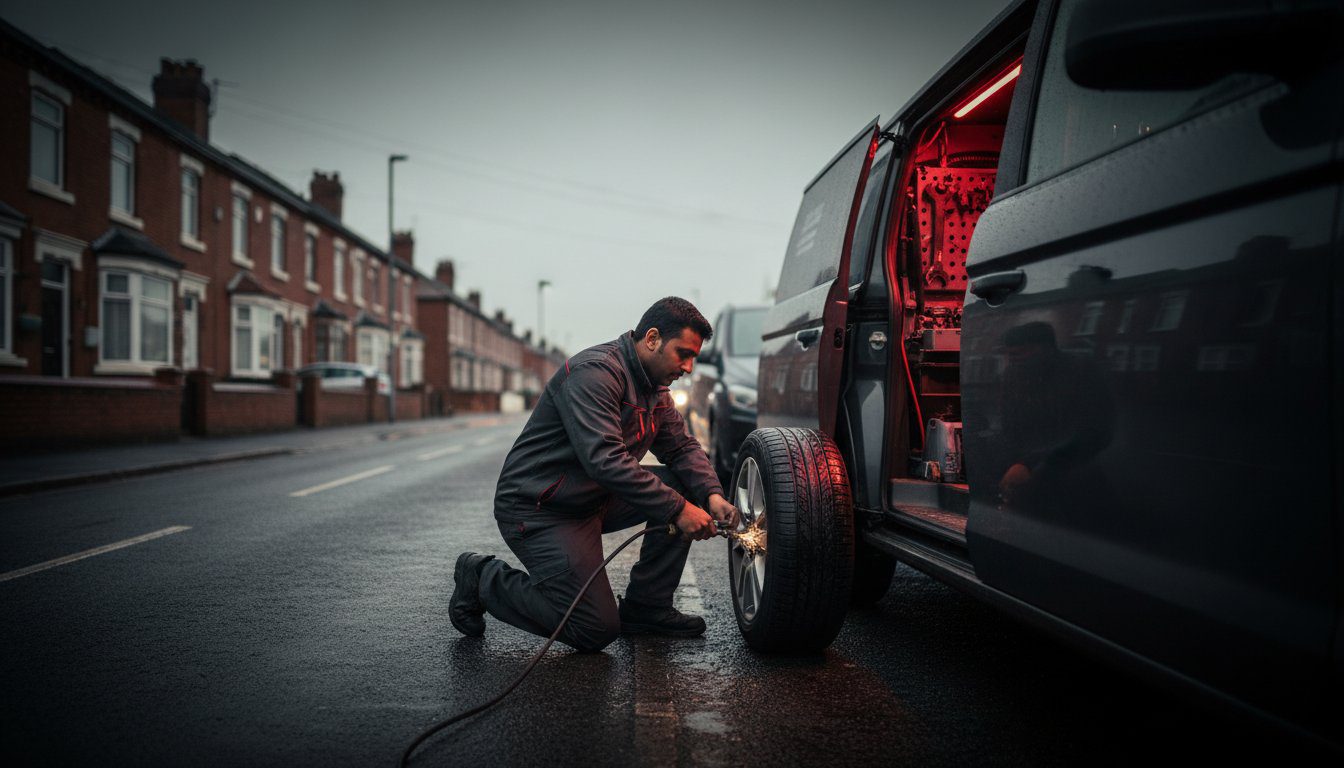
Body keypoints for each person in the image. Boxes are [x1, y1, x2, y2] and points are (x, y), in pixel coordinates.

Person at [450, 297, 740, 652]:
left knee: (686, 486)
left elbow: (681, 448)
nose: (690, 367)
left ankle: (646, 609)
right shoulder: (595, 373)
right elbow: (605, 459)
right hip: (541, 508)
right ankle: (481, 578)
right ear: (652, 339)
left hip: (592, 499)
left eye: (694, 356)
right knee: (594, 628)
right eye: (683, 353)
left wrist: (712, 495)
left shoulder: (655, 389)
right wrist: (678, 510)